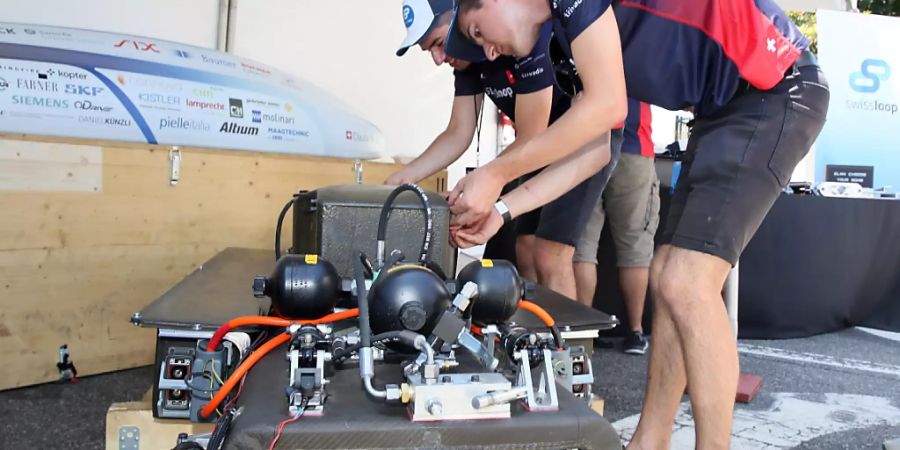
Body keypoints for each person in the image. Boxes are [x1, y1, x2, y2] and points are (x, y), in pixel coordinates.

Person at [448, 0, 829, 448]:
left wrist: (493, 174)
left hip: (777, 85)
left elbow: (608, 105)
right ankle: (650, 440)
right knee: (668, 275)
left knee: (687, 282)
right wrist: (502, 211)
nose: (488, 54)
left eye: (477, 32)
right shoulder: (567, 36)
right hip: (722, 108)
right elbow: (595, 151)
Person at [387, 0, 615, 299]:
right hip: (543, 148)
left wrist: (485, 181)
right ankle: (535, 336)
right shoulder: (472, 58)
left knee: (550, 251)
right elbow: (459, 132)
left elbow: (533, 135)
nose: (438, 58)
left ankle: (569, 342)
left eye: (438, 44)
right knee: (524, 247)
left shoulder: (525, 33)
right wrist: (405, 177)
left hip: (575, 135)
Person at [574, 98, 658, 355]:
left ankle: (583, 333)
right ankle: (635, 331)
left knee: (582, 247)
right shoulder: (644, 55)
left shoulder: (580, 54)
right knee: (635, 247)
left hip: (585, 144)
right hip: (633, 145)